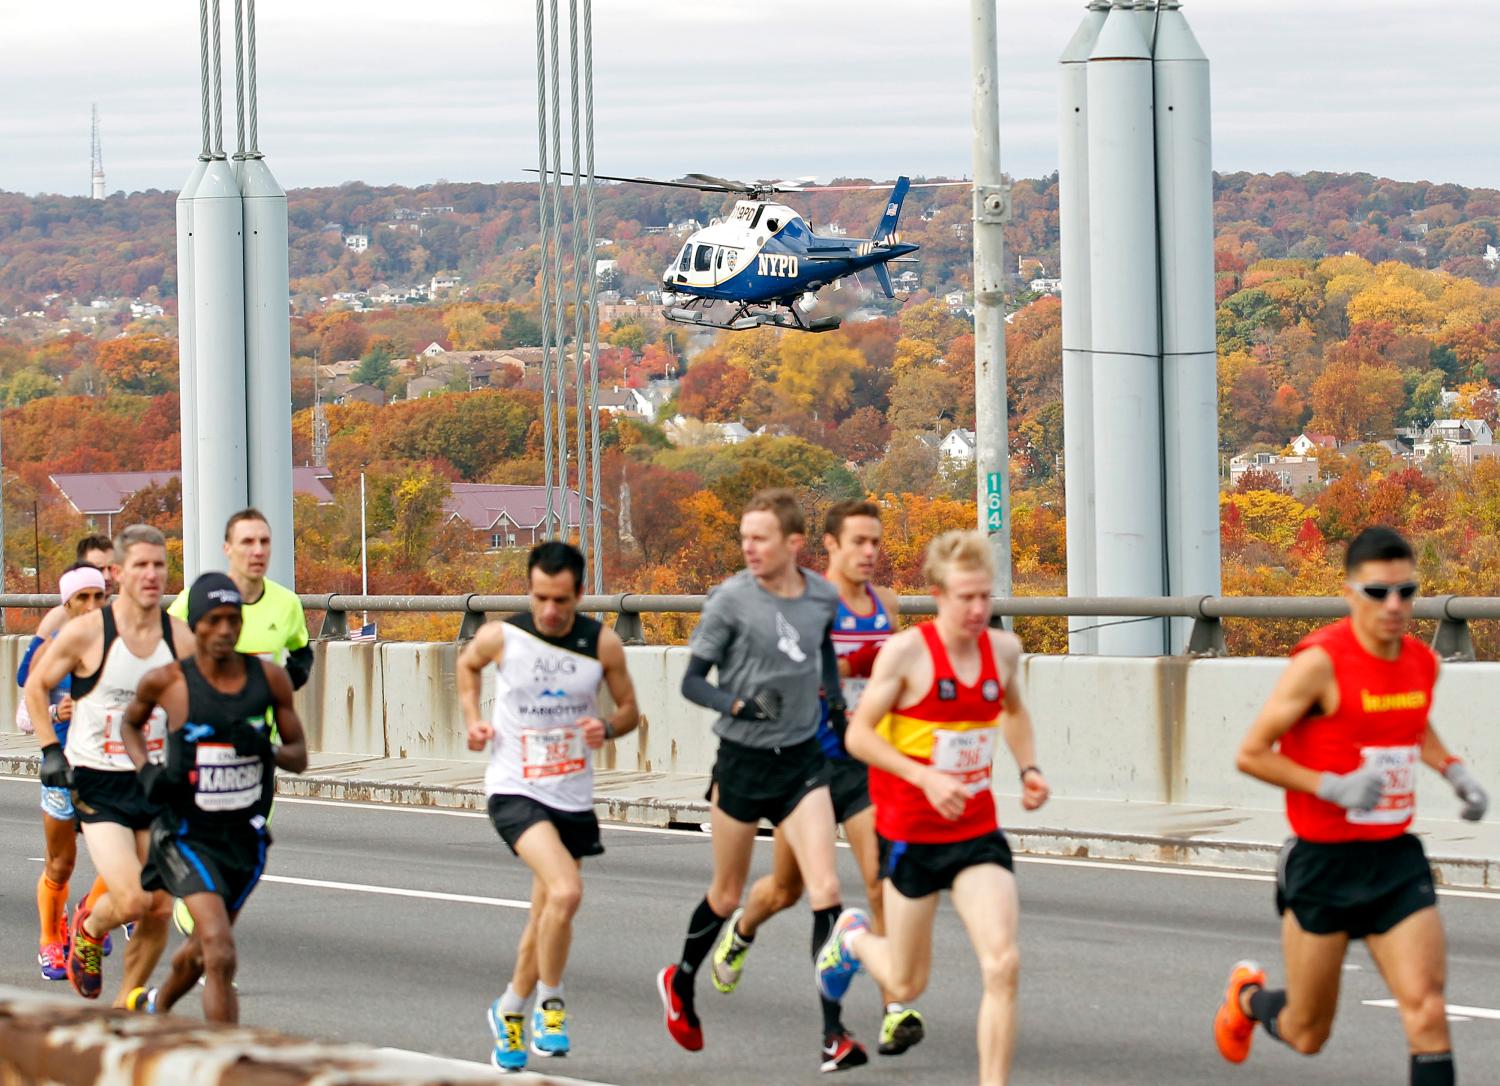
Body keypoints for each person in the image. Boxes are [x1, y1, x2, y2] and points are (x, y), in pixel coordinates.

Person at [1212, 526, 1488, 1086]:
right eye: (1377, 593)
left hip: (1393, 859)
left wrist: (1454, 770)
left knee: (1428, 1010)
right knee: (1308, 1032)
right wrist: (1332, 786)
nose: (1394, 606)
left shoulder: (1421, 661)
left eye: (1405, 592)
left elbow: (1409, 721)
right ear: (1349, 593)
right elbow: (1251, 753)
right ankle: (1247, 1000)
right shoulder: (1321, 663)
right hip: (1322, 864)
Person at [817, 530, 1050, 1086]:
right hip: (911, 834)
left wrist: (1029, 768)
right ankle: (851, 938)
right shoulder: (907, 654)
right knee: (906, 981)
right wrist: (923, 775)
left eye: (985, 597)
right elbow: (859, 738)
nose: (977, 610)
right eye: (965, 597)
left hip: (975, 833)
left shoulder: (1004, 650)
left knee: (1003, 964)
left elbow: (1012, 710)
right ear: (938, 593)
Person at [709, 498, 926, 1060]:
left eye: (876, 542)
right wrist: (854, 667)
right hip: (805, 760)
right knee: (788, 889)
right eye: (858, 542)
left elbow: (894, 683)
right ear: (828, 546)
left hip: (860, 764)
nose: (870, 553)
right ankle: (743, 928)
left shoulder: (887, 604)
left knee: (881, 882)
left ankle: (893, 1006)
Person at [655, 489, 856, 1072]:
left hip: (800, 763)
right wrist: (739, 705)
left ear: (793, 544)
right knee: (726, 892)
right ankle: (682, 982)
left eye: (760, 537)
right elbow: (693, 682)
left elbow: (821, 652)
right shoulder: (730, 601)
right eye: (744, 536)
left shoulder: (821, 595)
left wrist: (837, 707)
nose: (748, 546)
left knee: (826, 891)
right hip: (741, 762)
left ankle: (833, 1035)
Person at [457, 541, 640, 1072]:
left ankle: (509, 1007)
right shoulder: (503, 635)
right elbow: (467, 665)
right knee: (566, 890)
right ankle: (551, 1004)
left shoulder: (601, 645)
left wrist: (606, 726)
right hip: (514, 787)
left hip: (571, 793)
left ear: (579, 594)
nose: (550, 611)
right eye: (540, 597)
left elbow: (630, 711)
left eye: (560, 600)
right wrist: (473, 717)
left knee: (547, 912)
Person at [116, 572, 308, 1024]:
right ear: (195, 626)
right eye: (214, 621)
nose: (224, 630)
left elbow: (299, 758)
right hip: (185, 834)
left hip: (244, 837)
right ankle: (225, 1066)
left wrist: (264, 747)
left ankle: (154, 1008)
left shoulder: (270, 679)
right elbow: (130, 724)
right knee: (221, 950)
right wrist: (146, 771)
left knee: (202, 952)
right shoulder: (169, 682)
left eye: (233, 620)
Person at [26, 524, 194, 1005]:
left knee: (159, 908)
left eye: (159, 565)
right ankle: (90, 923)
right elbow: (37, 685)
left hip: (154, 781)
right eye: (140, 565)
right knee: (130, 899)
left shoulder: (178, 638)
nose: (151, 575)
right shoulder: (86, 633)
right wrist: (49, 750)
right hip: (97, 783)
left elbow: (194, 707)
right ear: (118, 572)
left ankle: (127, 1004)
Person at [168, 508, 312, 936]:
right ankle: (201, 932)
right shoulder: (201, 599)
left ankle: (203, 929)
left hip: (255, 754)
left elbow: (301, 653)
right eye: (247, 542)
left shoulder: (285, 604)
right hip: (199, 752)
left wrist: (276, 687)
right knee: (205, 851)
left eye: (265, 542)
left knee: (242, 854)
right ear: (227, 549)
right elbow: (162, 648)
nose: (258, 551)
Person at [17, 563, 109, 979]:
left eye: (98, 596)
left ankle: (88, 913)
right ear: (66, 604)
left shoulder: (119, 646)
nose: (91, 605)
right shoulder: (51, 650)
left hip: (109, 772)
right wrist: (57, 711)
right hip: (63, 771)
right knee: (60, 864)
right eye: (81, 598)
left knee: (125, 864)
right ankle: (50, 943)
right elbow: (23, 715)